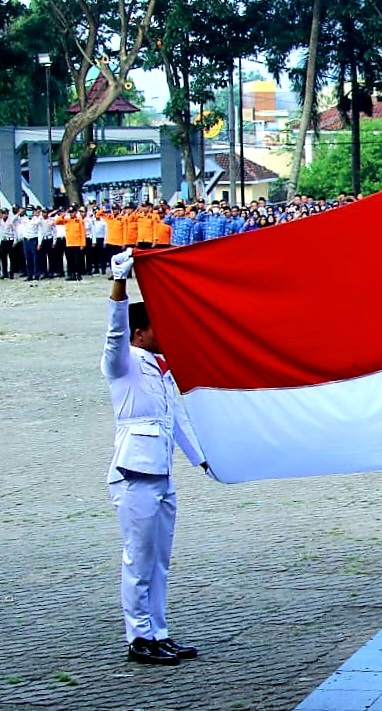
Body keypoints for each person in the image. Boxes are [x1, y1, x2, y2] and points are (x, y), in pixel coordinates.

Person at [102, 249, 208, 665]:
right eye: (155, 328)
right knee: (138, 558)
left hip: (160, 474)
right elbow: (114, 334)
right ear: (139, 334)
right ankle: (138, 637)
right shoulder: (123, 364)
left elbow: (178, 419)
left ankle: (158, 631)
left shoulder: (161, 370)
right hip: (134, 472)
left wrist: (203, 460)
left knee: (159, 561)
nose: (163, 334)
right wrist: (119, 286)